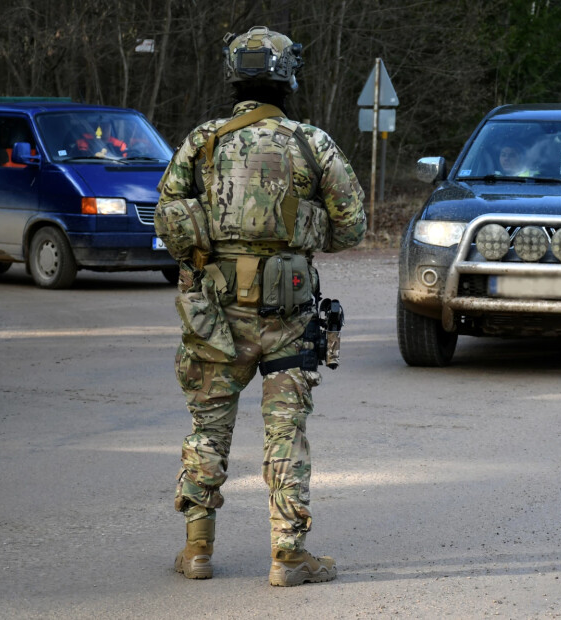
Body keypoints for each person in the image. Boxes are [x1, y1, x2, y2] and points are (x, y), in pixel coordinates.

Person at [155, 26, 366, 587]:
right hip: (288, 318)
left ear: (233, 77)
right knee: (285, 434)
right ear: (288, 79)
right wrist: (301, 225)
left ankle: (197, 551)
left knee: (207, 427)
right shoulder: (311, 143)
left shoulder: (203, 142)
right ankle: (288, 556)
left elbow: (169, 219)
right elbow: (352, 228)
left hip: (215, 317)